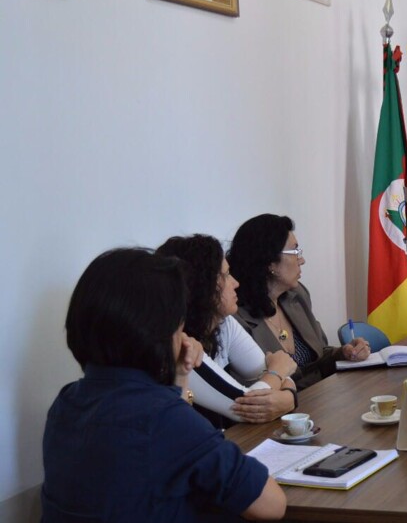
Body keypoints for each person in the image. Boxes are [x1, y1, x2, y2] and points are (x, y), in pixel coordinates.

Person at [42, 248, 286, 521]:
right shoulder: (162, 418)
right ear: (157, 330)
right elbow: (271, 505)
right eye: (178, 323)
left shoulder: (65, 404)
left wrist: (180, 377)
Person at [157, 234, 299, 427]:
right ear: (202, 286)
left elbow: (269, 380)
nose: (235, 283)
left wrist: (287, 394)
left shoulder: (224, 323)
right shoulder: (181, 345)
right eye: (225, 275)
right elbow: (243, 405)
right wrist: (278, 372)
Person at [228, 214, 370, 391]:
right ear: (270, 262)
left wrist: (344, 353)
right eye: (295, 252)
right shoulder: (236, 319)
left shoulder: (296, 295)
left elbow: (320, 354)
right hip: (281, 412)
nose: (301, 260)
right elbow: (251, 386)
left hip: (321, 398)